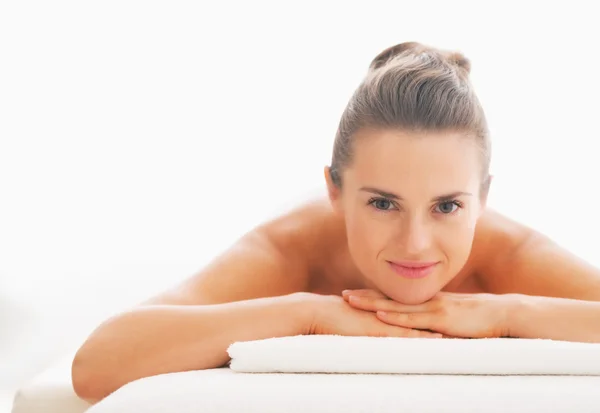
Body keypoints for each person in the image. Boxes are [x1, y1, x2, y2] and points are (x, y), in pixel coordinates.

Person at [71, 41, 600, 403]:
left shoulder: (507, 256)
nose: (415, 244)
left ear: (483, 199)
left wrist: (507, 314)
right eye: (382, 204)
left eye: (447, 207)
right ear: (334, 189)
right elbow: (96, 365)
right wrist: (308, 314)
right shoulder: (290, 250)